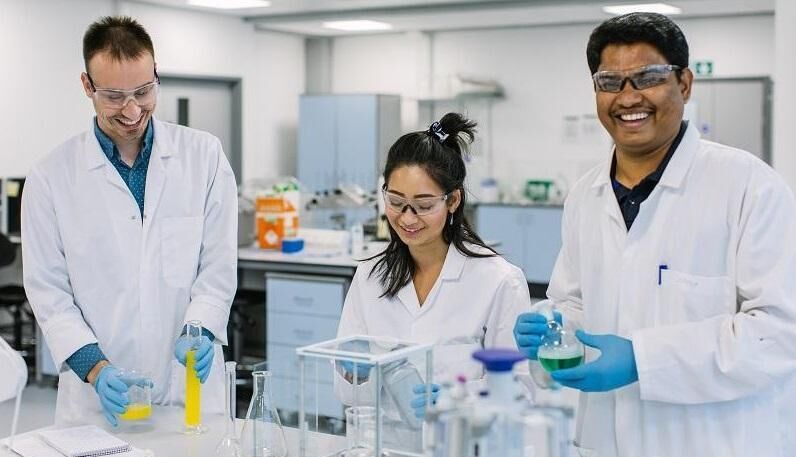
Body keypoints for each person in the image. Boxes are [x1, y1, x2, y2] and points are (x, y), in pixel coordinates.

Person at [513, 12, 796, 456]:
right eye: (610, 82)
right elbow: (578, 302)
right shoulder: (585, 197)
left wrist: (644, 359)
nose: (628, 97)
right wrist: (557, 324)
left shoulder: (749, 187)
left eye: (647, 77)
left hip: (712, 442)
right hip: (605, 439)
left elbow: (779, 333)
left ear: (684, 84)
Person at [22, 16, 237, 427]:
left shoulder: (204, 157)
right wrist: (96, 369)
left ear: (156, 75)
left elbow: (218, 267)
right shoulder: (51, 177)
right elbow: (49, 293)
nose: (133, 109)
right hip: (96, 399)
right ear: (87, 86)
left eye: (143, 91)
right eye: (115, 96)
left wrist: (201, 330)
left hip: (186, 390)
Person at [336, 113, 531, 420]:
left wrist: (459, 397)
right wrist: (352, 373)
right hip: (387, 445)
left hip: (462, 443)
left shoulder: (499, 280)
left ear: (452, 200)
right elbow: (348, 397)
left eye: (424, 206)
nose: (407, 218)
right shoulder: (370, 276)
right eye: (396, 202)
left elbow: (522, 390)